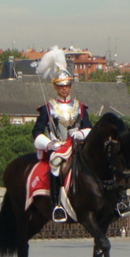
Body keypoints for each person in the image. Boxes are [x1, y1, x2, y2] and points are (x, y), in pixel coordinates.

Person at [32, 48, 92, 222]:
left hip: (77, 146)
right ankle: (57, 204)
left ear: (70, 86)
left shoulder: (80, 107)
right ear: (55, 87)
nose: (64, 89)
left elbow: (88, 126)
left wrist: (80, 133)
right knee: (55, 165)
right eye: (61, 86)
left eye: (66, 85)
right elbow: (37, 132)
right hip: (58, 147)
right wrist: (49, 144)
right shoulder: (47, 108)